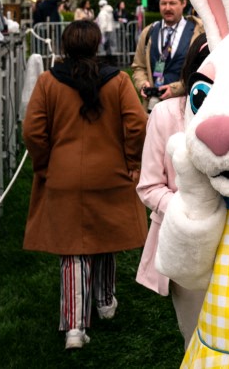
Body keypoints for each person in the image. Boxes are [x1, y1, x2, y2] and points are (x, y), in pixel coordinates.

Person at [23, 21, 148, 350]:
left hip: (63, 176)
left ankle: (74, 328)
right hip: (110, 174)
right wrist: (132, 162)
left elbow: (33, 131)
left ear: (64, 46)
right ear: (96, 45)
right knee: (106, 238)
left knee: (72, 249)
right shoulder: (118, 81)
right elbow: (137, 125)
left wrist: (44, 165)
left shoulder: (48, 81)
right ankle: (105, 303)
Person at [136, 33, 210, 348]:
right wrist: (189, 210)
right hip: (188, 245)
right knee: (196, 337)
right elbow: (149, 186)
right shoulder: (166, 114)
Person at [132, 0, 205, 110]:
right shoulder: (149, 32)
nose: (167, 8)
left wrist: (177, 89)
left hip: (185, 107)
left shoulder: (197, 32)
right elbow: (138, 67)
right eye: (163, 3)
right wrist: (142, 84)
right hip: (153, 107)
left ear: (183, 3)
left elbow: (203, 71)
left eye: (172, 3)